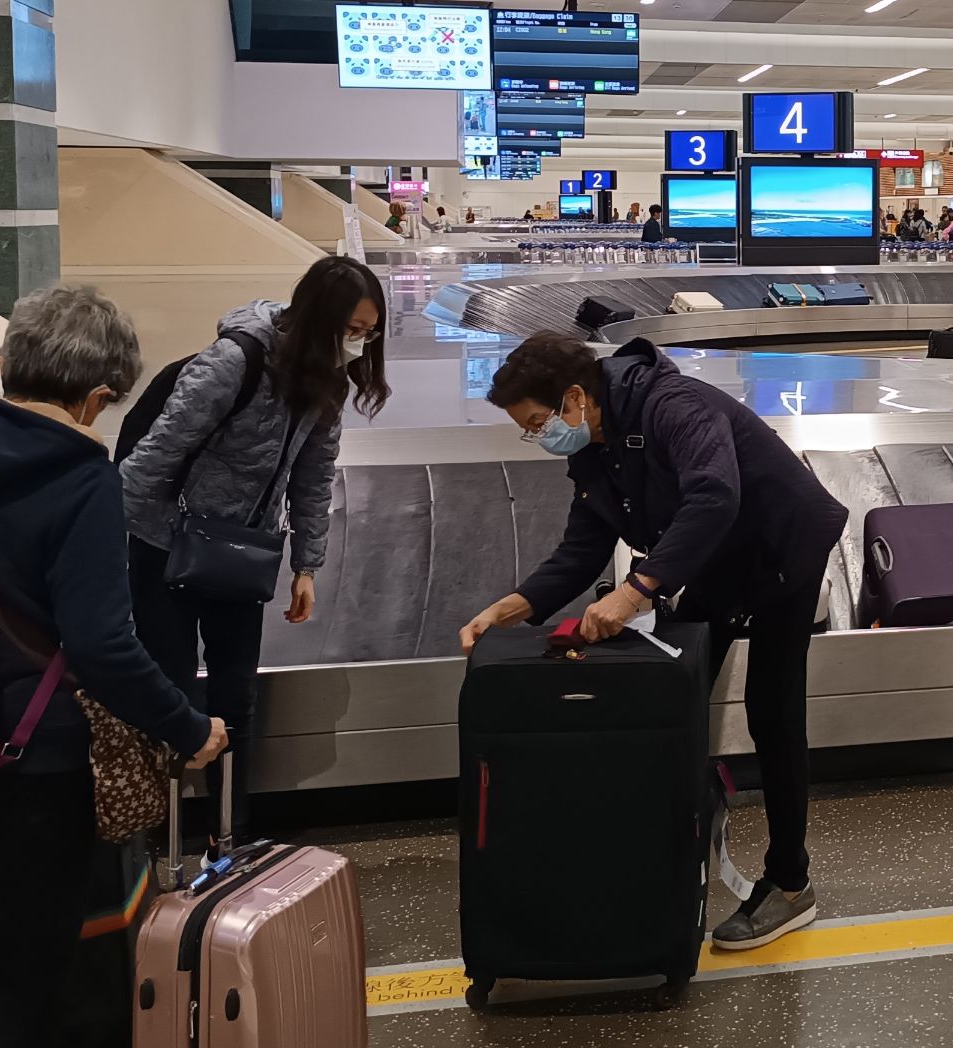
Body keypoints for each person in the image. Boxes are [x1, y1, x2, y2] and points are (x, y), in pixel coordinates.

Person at [0, 285, 228, 1048]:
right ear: (94, 398)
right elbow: (102, 645)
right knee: (31, 971)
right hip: (33, 763)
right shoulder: (82, 480)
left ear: (4, 362)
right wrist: (189, 728)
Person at [458, 334, 848, 950]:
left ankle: (791, 884)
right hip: (717, 554)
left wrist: (634, 590)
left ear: (575, 398)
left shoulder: (674, 406)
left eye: (538, 423)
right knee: (677, 694)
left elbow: (715, 497)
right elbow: (584, 544)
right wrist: (516, 605)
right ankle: (678, 841)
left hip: (781, 546)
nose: (538, 436)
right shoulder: (595, 445)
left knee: (771, 711)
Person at [121, 255, 389, 839]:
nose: (359, 344)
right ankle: (152, 837)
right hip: (164, 545)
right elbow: (155, 456)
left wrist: (307, 564)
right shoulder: (234, 361)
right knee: (167, 691)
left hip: (241, 552)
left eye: (369, 334)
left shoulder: (328, 380)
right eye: (352, 330)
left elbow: (314, 474)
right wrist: (105, 542)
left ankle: (229, 832)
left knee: (234, 695)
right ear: (318, 318)